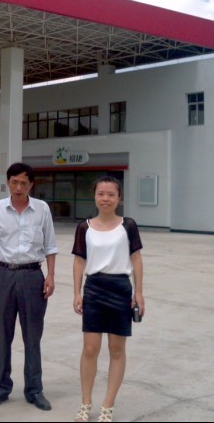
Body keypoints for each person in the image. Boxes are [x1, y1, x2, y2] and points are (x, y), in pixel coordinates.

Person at [0, 162, 58, 411]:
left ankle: (34, 390)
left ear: (31, 185)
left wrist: (50, 275)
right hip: (4, 275)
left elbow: (50, 245)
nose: (18, 188)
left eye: (23, 183)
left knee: (32, 336)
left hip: (33, 276)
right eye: (14, 182)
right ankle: (1, 388)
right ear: (7, 183)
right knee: (3, 335)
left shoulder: (42, 209)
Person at [72, 176, 145, 423]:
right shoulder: (84, 227)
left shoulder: (128, 225)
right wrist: (77, 292)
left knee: (116, 349)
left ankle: (107, 406)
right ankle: (85, 403)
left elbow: (136, 259)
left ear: (119, 198)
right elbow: (79, 261)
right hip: (94, 288)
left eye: (111, 194)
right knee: (90, 348)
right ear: (94, 196)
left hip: (120, 289)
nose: (106, 199)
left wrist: (139, 292)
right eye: (101, 194)